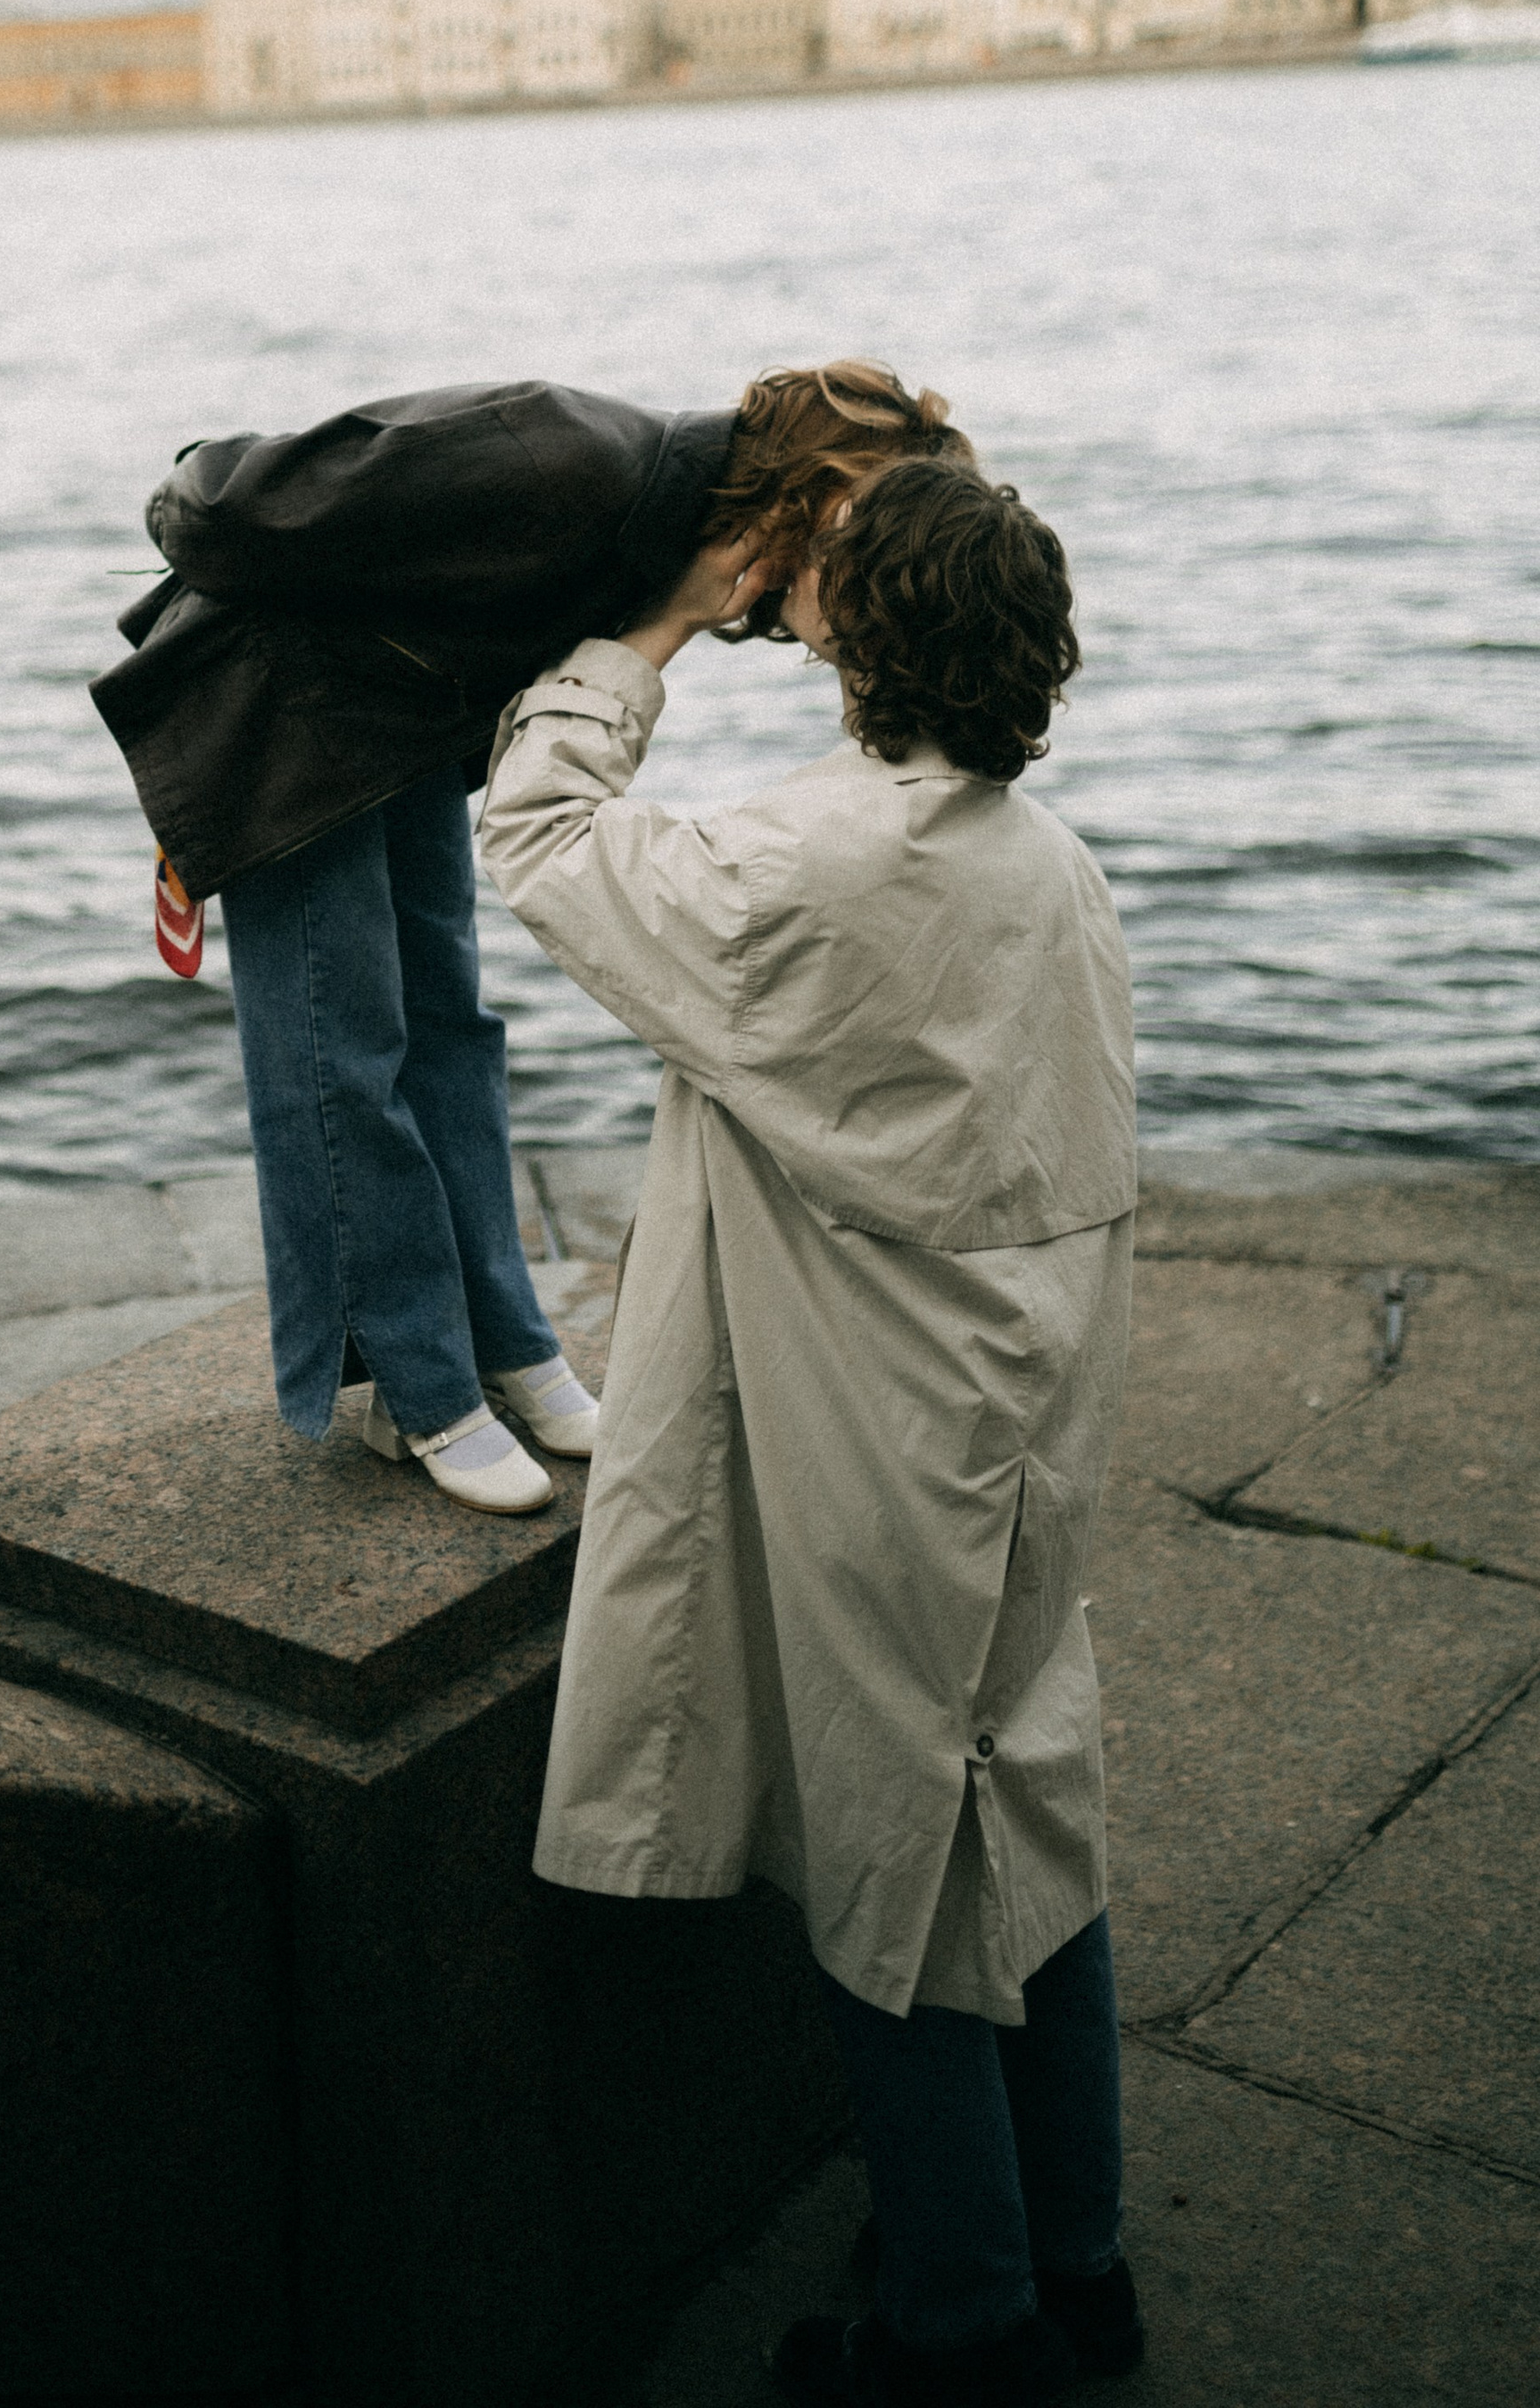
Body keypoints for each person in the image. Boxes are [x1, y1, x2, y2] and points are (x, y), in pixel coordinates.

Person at [476, 462, 1141, 2403]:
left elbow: (536, 834)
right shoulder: (1052, 867)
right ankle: (1074, 2258)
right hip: (1033, 1404)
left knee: (890, 1848)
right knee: (1031, 1797)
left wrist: (660, 625)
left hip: (877, 1430)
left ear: (860, 650)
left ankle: (962, 2323)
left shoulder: (797, 870)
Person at [90, 365, 973, 1513]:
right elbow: (212, 499)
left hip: (400, 727)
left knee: (452, 1031)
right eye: (864, 547)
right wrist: (232, 538)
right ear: (805, 496)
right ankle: (421, 1386)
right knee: (336, 1053)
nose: (864, 594)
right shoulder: (555, 451)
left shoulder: (679, 544)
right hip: (281, 713)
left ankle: (505, 1342)